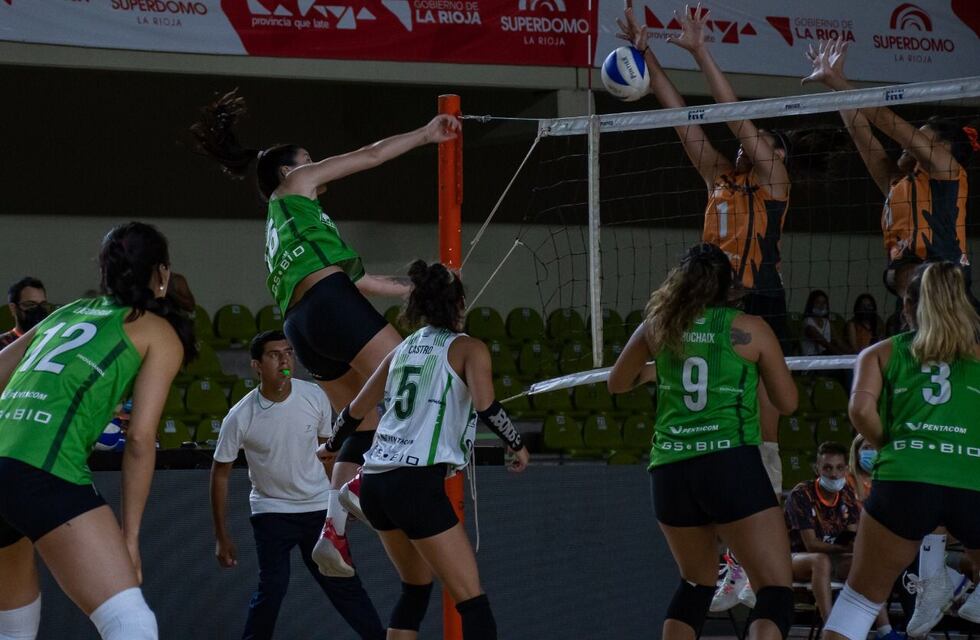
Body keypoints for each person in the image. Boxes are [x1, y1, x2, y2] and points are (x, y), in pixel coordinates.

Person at [191, 90, 461, 577]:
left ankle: (333, 531)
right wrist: (426, 134)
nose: (314, 166)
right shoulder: (293, 187)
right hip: (331, 306)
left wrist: (420, 288)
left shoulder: (289, 229)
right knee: (421, 373)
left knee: (364, 420)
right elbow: (369, 155)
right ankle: (361, 488)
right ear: (288, 171)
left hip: (303, 324)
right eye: (308, 161)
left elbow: (360, 282)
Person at [616, 6, 792, 605]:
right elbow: (683, 119)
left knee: (762, 432)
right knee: (708, 426)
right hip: (700, 304)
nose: (751, 143)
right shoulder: (719, 177)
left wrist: (701, 53)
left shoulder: (776, 183)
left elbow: (737, 119)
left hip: (757, 304)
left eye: (762, 138)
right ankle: (724, 558)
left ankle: (748, 558)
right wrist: (649, 58)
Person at [0, 222, 196, 640]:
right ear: (161, 274)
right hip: (43, 470)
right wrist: (130, 537)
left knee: (13, 628)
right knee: (131, 624)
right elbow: (141, 441)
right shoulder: (157, 331)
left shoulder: (66, 312)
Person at [323, 260, 529, 640]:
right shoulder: (469, 348)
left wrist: (331, 445)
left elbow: (354, 411)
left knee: (415, 590)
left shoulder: (400, 351)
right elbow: (487, 407)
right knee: (472, 601)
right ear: (459, 304)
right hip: (414, 483)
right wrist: (516, 444)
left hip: (374, 484)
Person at [609, 243, 798, 640]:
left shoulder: (659, 325)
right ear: (727, 286)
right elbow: (788, 402)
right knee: (775, 591)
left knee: (695, 585)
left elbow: (617, 382)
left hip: (670, 471)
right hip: (729, 464)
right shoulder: (750, 329)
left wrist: (656, 373)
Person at [821, 262, 980, 640]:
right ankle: (950, 580)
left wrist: (890, 446)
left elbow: (860, 410)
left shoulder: (880, 352)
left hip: (905, 480)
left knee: (859, 602)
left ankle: (943, 579)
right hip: (971, 480)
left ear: (907, 308)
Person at [210, 330, 384, 640]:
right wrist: (222, 536)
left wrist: (338, 508)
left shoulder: (314, 396)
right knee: (273, 588)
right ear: (256, 365)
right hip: (271, 511)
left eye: (288, 353)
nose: (284, 360)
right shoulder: (239, 416)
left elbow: (329, 456)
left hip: (317, 507)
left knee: (343, 583)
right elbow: (220, 474)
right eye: (274, 355)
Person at [803, 38, 979, 311]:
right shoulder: (898, 184)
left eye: (918, 137)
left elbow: (889, 123)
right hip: (914, 300)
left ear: (942, 147)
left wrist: (842, 85)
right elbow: (861, 134)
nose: (905, 143)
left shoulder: (948, 170)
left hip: (949, 298)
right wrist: (835, 84)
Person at [784, 443, 863, 627]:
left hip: (832, 556)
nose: (834, 474)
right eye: (827, 468)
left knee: (863, 562)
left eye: (839, 468)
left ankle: (882, 628)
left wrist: (853, 545)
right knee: (820, 560)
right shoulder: (801, 494)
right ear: (816, 468)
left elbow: (851, 534)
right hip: (793, 558)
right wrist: (843, 547)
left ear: (846, 468)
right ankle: (830, 626)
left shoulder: (847, 493)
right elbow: (811, 545)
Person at [1, 277, 49, 350]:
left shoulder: (51, 341)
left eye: (43, 305)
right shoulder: (3, 343)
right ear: (13, 308)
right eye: (30, 305)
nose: (38, 310)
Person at [801, 290, 848, 357]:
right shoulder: (807, 322)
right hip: (811, 359)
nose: (821, 306)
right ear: (811, 304)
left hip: (825, 357)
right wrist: (840, 355)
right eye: (818, 302)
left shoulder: (827, 322)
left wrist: (854, 354)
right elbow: (825, 344)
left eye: (824, 303)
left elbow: (839, 342)